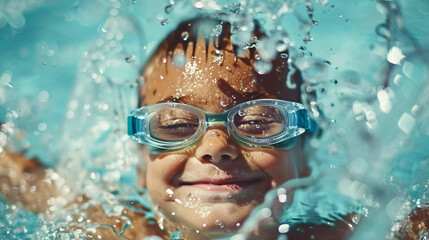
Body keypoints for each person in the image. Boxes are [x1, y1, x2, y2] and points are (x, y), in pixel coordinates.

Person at [1, 17, 427, 240]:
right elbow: (20, 175)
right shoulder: (113, 231)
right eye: (174, 125)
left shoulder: (347, 236)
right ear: (137, 164)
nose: (216, 146)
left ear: (306, 155)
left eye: (260, 122)